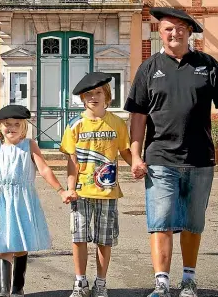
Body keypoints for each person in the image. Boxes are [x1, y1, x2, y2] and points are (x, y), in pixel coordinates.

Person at [125, 7, 218, 297]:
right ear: (160, 33)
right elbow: (137, 116)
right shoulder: (149, 68)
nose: (174, 33)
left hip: (200, 159)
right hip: (160, 158)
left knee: (192, 222)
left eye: (179, 28)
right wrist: (136, 155)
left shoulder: (208, 65)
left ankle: (188, 280)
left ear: (189, 31)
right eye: (167, 29)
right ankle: (161, 283)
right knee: (160, 221)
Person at [0, 103, 74, 297]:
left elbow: (44, 169)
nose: (11, 127)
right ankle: (3, 291)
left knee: (21, 245)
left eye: (16, 124)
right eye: (7, 124)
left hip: (23, 200)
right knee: (3, 244)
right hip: (2, 202)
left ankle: (17, 288)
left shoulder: (29, 145)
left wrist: (61, 190)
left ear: (24, 127)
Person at [60, 72, 132, 297]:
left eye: (98, 92)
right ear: (82, 98)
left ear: (107, 96)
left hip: (108, 191)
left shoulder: (117, 123)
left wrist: (140, 166)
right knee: (79, 237)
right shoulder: (75, 125)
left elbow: (125, 152)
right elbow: (72, 161)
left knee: (104, 240)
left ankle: (101, 282)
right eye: (88, 93)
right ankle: (80, 282)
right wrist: (70, 187)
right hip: (81, 192)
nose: (93, 97)